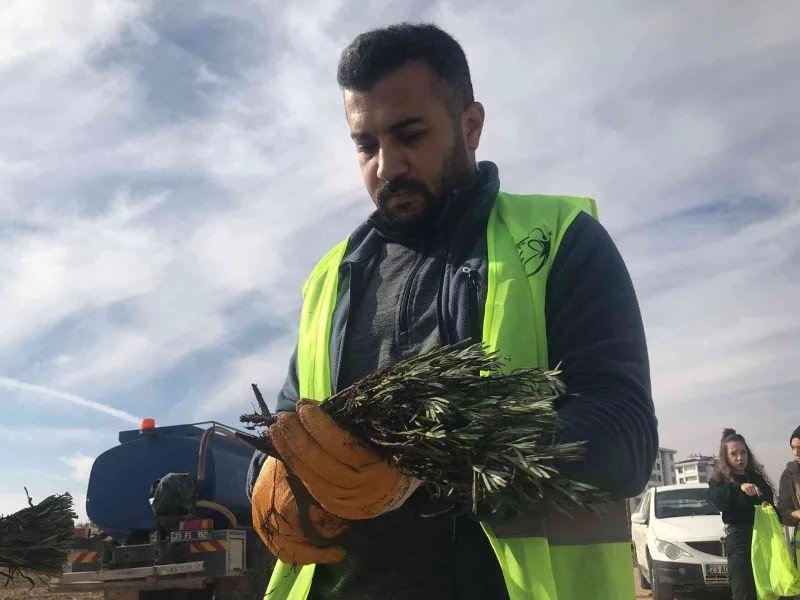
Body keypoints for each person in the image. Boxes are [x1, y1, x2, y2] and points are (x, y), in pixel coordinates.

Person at [246, 22, 658, 600]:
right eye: (366, 145)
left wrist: (426, 461)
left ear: (471, 125)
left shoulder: (558, 240)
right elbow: (283, 430)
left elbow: (625, 437)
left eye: (410, 134)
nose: (386, 166)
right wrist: (274, 483)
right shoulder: (330, 280)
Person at [708, 428, 776, 600]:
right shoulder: (720, 481)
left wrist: (766, 505)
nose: (740, 458)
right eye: (734, 453)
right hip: (739, 541)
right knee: (743, 591)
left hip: (763, 538)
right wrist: (739, 488)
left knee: (768, 590)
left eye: (743, 452)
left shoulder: (757, 478)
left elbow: (770, 504)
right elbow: (719, 501)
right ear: (725, 457)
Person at [778, 425, 800, 566]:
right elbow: (784, 512)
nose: (796, 452)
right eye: (793, 447)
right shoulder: (789, 475)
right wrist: (796, 514)